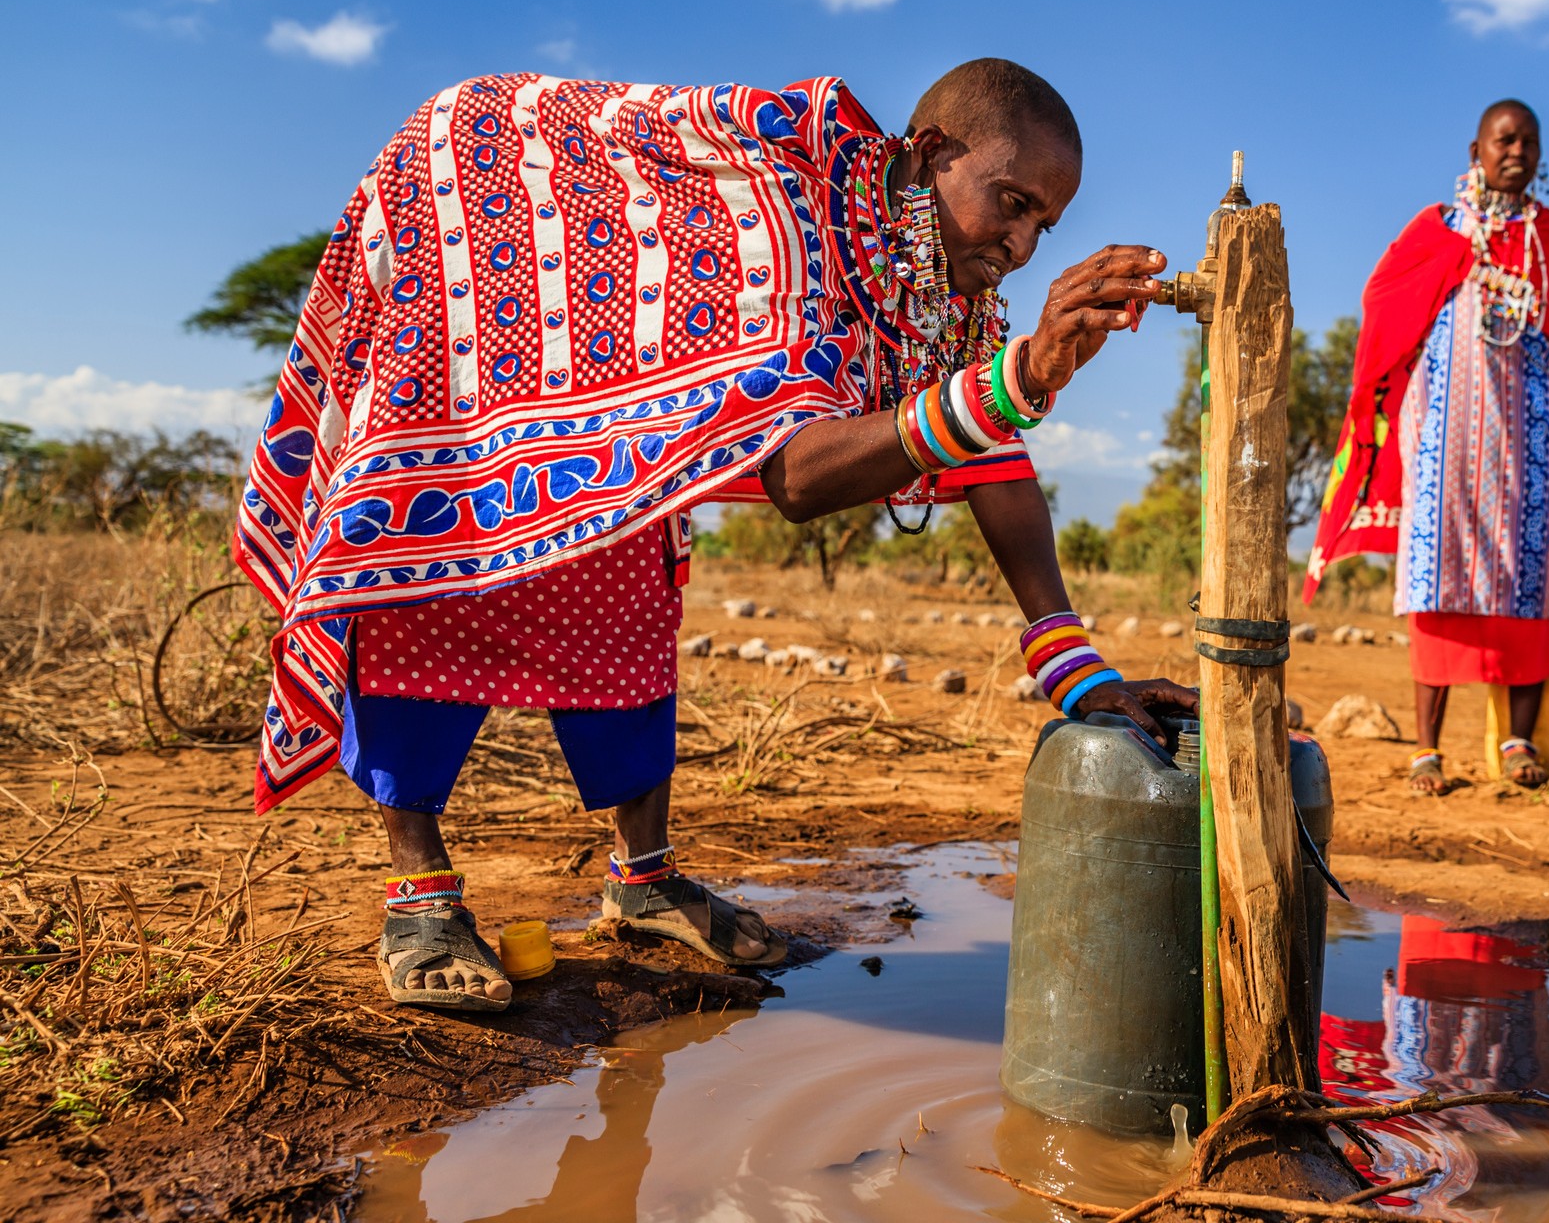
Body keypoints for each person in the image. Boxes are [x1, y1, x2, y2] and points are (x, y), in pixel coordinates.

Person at [235, 60, 1195, 1012]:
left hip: (602, 396)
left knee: (625, 591)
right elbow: (797, 474)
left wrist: (1075, 667)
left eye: (1044, 224)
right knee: (433, 562)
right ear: (934, 153)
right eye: (1011, 202)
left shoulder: (951, 292)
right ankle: (420, 897)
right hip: (485, 296)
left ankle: (642, 880)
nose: (1023, 246)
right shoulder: (792, 205)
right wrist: (1019, 376)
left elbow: (991, 459)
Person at [1304, 100, 1549, 795]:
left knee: (1528, 583)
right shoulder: (1439, 228)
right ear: (1475, 148)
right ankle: (1426, 752)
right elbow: (1384, 296)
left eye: (1529, 142)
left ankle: (1517, 743)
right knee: (1436, 579)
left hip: (1535, 437)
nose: (1517, 151)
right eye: (1504, 139)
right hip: (1446, 434)